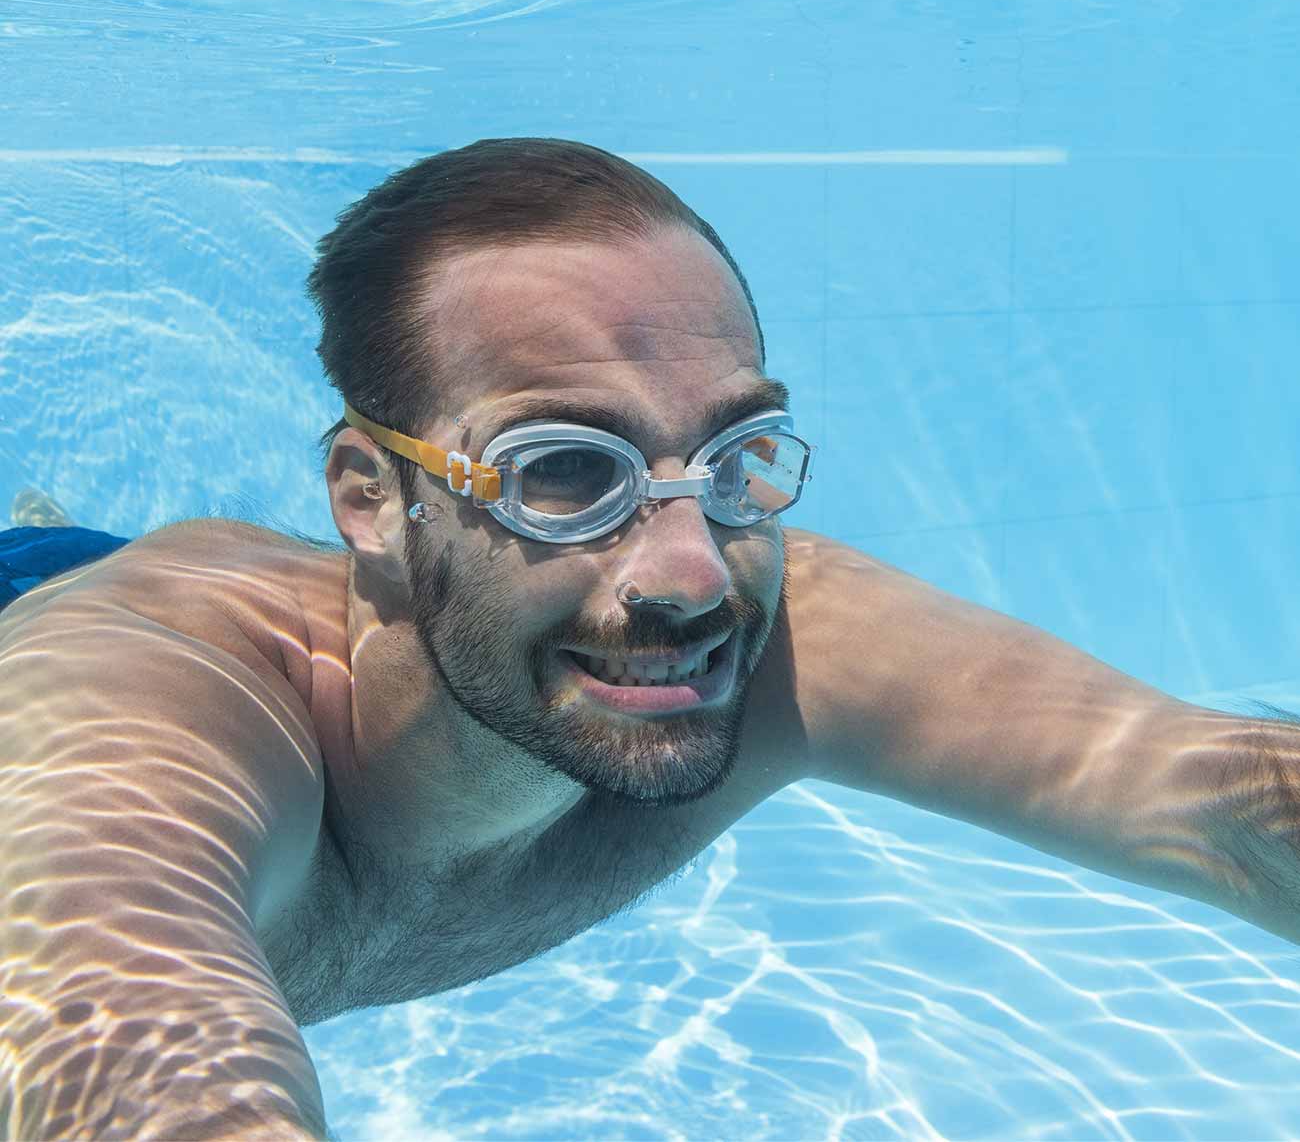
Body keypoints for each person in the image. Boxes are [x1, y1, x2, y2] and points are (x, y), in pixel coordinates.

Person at [0, 138, 1293, 1141]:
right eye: (566, 470)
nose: (691, 575)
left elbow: (1212, 800)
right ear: (368, 499)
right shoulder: (133, 734)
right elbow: (123, 1042)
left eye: (734, 456)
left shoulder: (771, 632)